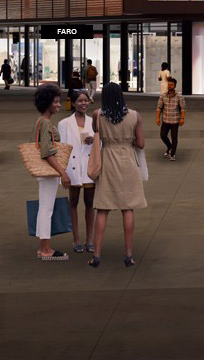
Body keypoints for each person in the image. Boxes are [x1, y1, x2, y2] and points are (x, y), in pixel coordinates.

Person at [91, 82, 147, 268]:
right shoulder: (134, 116)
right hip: (128, 161)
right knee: (128, 208)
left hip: (107, 160)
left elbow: (97, 134)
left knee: (103, 208)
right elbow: (140, 144)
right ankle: (128, 255)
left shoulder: (97, 115)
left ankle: (97, 255)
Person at [30, 83, 70, 261]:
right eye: (56, 101)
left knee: (44, 208)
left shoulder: (40, 121)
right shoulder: (46, 123)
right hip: (49, 171)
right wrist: (63, 172)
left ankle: (43, 247)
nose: (59, 104)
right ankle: (46, 249)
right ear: (48, 103)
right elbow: (47, 152)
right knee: (47, 209)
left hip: (43, 172)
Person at [58, 89, 96, 255]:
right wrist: (63, 173)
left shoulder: (94, 121)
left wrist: (95, 140)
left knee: (90, 204)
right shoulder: (64, 124)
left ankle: (89, 239)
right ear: (73, 103)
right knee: (73, 202)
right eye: (80, 101)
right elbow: (62, 150)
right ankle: (76, 239)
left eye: (86, 100)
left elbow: (101, 144)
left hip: (89, 167)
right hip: (72, 167)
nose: (84, 104)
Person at [155, 77, 185, 161]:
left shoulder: (179, 96)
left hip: (175, 121)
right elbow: (159, 108)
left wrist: (182, 118)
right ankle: (169, 147)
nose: (170, 86)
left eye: (171, 85)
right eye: (169, 85)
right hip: (165, 120)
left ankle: (172, 154)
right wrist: (157, 118)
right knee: (163, 135)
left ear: (175, 86)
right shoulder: (163, 96)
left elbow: (183, 108)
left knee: (174, 137)